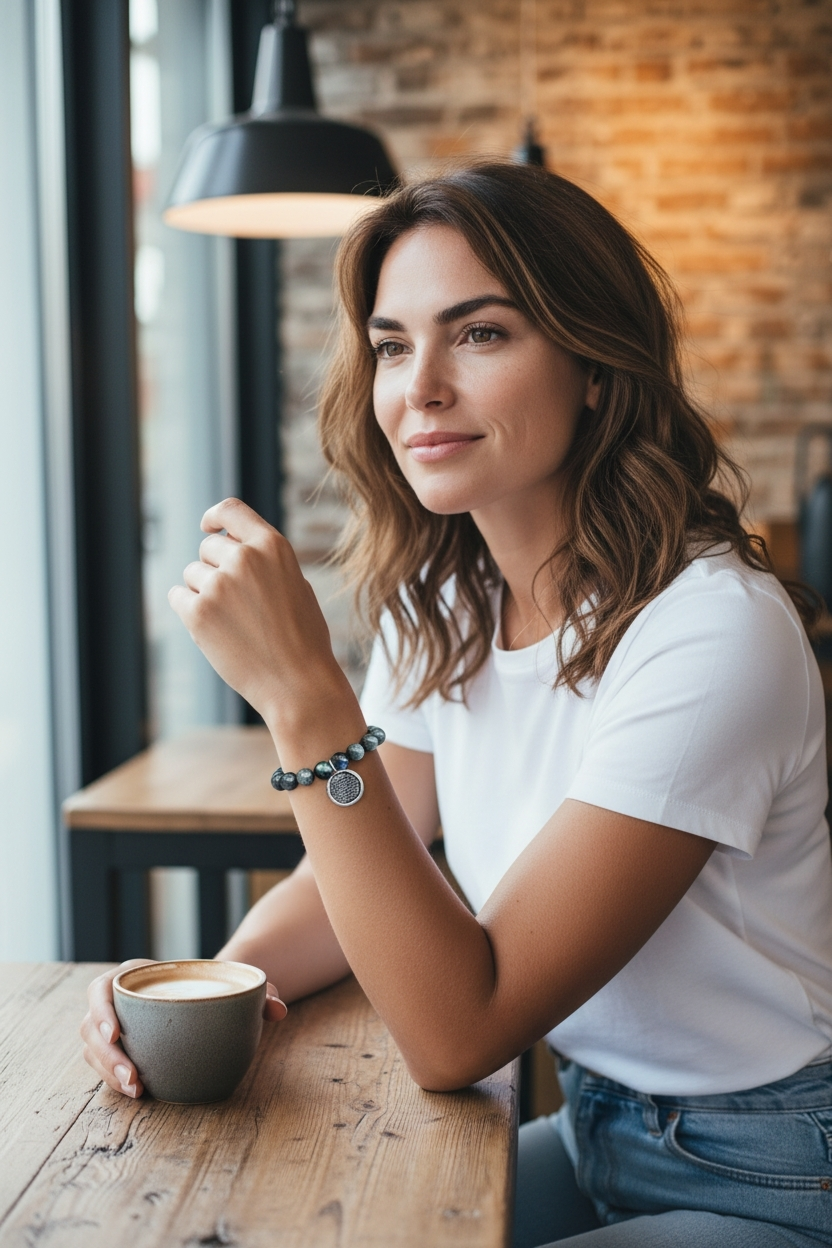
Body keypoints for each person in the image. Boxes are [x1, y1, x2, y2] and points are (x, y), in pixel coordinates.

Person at [81, 162, 832, 1246]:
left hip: (770, 1171)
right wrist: (211, 992)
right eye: (392, 345)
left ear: (593, 367)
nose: (418, 386)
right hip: (593, 1126)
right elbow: (354, 873)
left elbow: (458, 1031)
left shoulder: (712, 634)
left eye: (479, 334)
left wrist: (303, 701)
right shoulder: (446, 599)